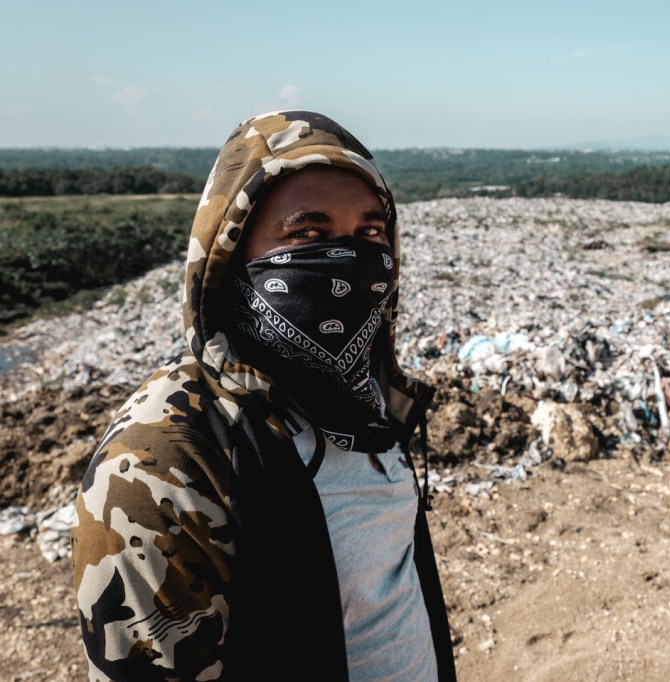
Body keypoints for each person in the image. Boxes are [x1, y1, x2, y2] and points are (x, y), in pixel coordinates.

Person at [71, 110, 456, 681]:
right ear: (229, 253)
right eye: (307, 233)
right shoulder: (163, 460)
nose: (349, 260)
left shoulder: (366, 397)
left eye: (370, 233)